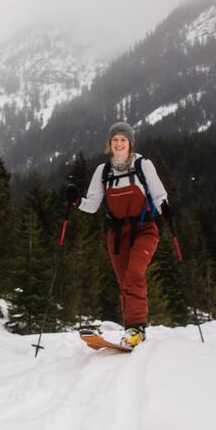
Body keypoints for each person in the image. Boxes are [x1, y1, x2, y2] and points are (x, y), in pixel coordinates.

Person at [66, 122, 171, 348]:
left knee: (134, 274)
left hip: (144, 230)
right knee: (124, 282)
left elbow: (159, 194)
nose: (119, 143)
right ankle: (130, 328)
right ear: (110, 144)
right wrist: (76, 201)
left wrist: (166, 210)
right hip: (116, 234)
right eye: (115, 140)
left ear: (130, 143)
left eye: (123, 139)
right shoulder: (102, 171)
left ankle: (137, 328)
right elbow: (93, 205)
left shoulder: (143, 165)